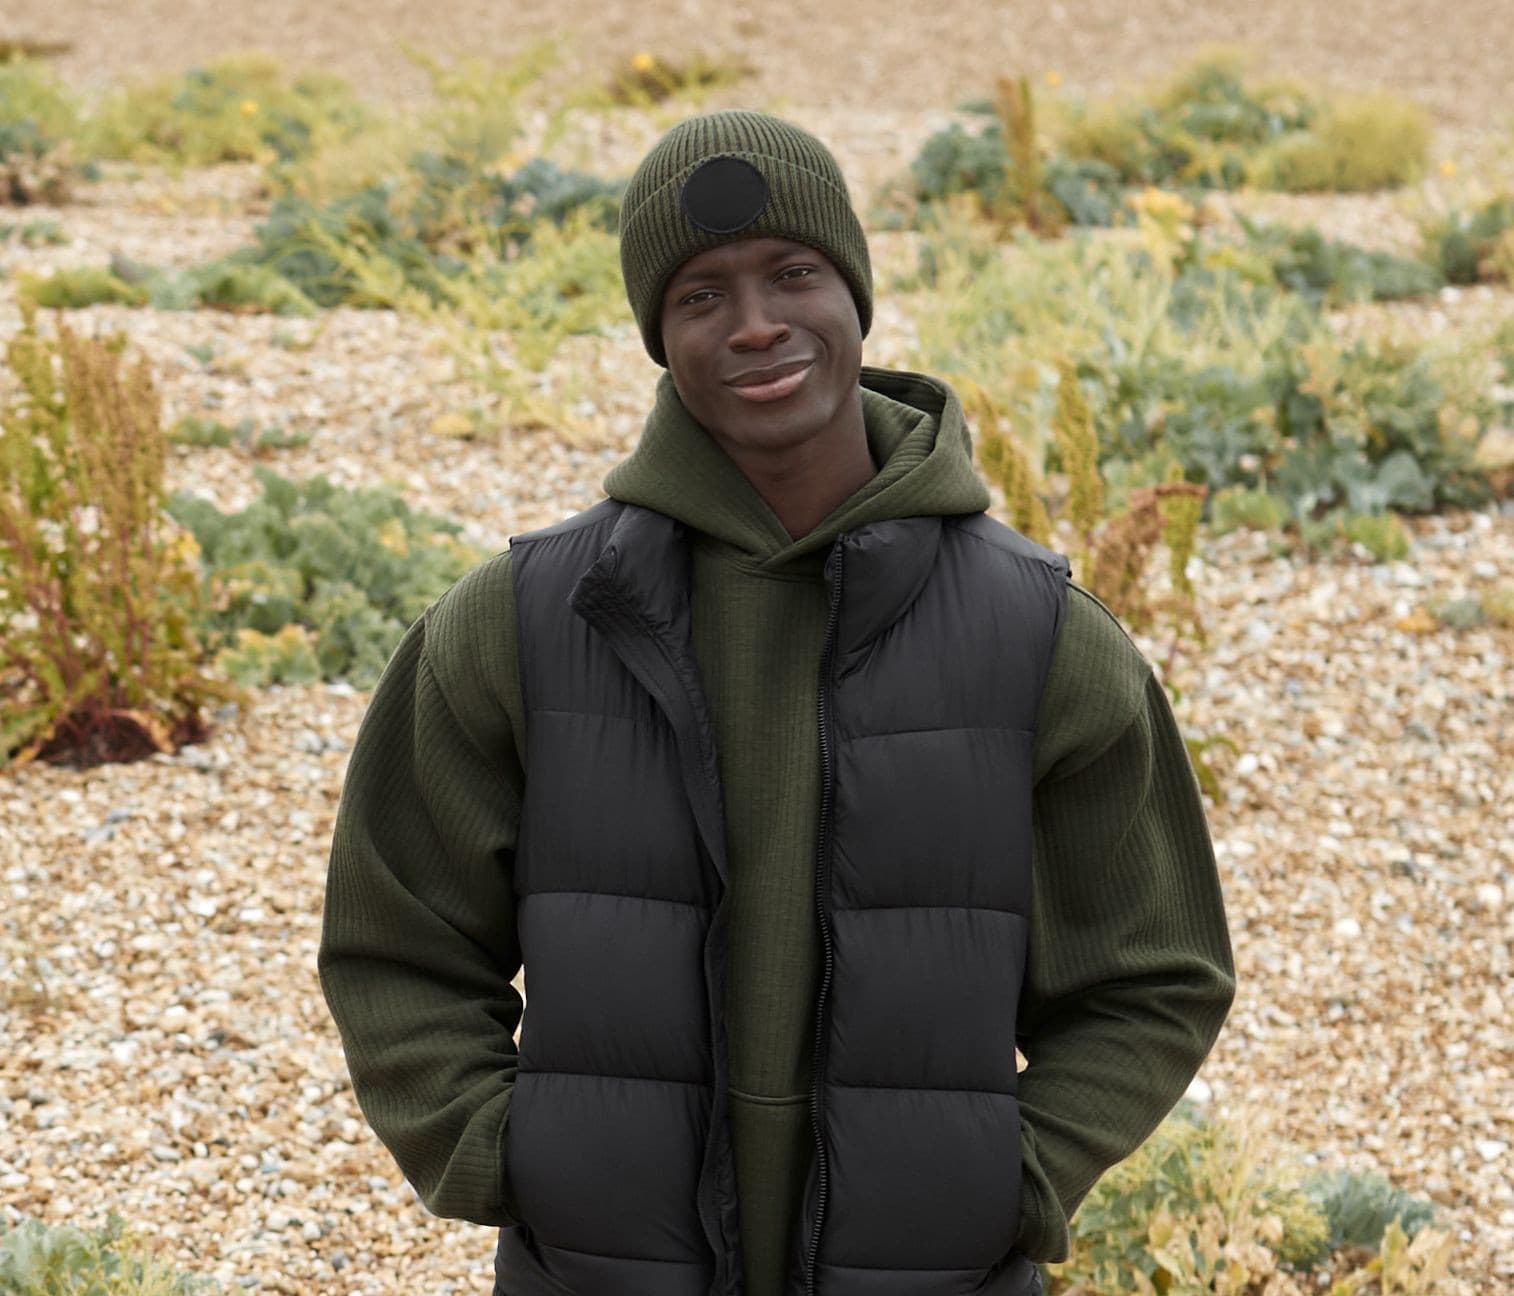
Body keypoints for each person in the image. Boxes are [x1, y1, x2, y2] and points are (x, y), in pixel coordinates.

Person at [318, 109, 1236, 1296]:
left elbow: (1154, 972)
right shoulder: (520, 623)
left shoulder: (1039, 637)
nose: (754, 326)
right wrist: (509, 1156)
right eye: (700, 296)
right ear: (658, 335)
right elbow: (395, 941)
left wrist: (1012, 1177)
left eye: (791, 274)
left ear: (854, 289)